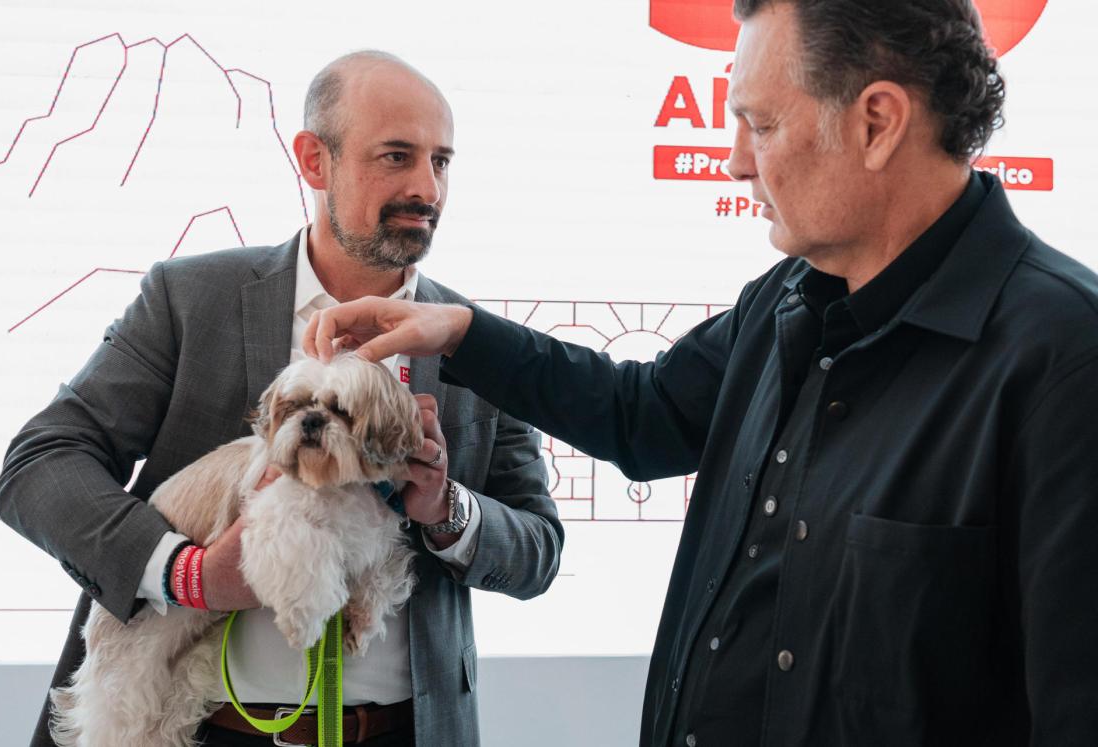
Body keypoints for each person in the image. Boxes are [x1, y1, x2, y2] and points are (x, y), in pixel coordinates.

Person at [301, 3, 1098, 746]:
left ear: (878, 122)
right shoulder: (785, 299)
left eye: (762, 124)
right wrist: (463, 332)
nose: (736, 162)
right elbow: (640, 415)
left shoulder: (1064, 360)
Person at [0, 51, 562, 747]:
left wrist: (447, 509)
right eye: (396, 156)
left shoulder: (477, 343)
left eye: (440, 161)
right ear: (314, 161)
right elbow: (40, 465)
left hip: (406, 732)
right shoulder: (189, 299)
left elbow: (538, 551)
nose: (427, 187)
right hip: (196, 730)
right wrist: (188, 574)